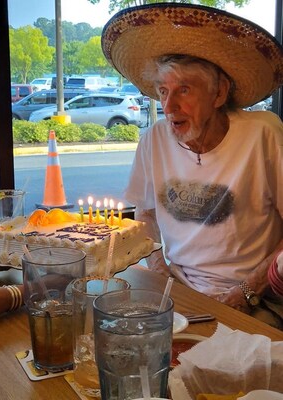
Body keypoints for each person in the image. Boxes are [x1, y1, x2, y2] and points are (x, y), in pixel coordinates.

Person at [101, 4, 283, 328]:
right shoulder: (153, 140)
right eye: (163, 91)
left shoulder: (263, 134)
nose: (169, 107)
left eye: (184, 90)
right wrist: (160, 269)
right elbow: (144, 215)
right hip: (178, 289)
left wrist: (245, 292)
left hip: (257, 296)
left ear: (218, 93)